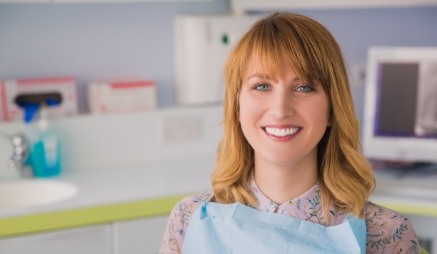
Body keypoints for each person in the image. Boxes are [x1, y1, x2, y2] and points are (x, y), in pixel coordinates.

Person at [160, 12, 420, 254]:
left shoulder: (386, 234)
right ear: (237, 107)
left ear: (332, 109)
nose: (280, 109)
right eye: (262, 86)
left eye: (304, 88)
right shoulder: (189, 218)